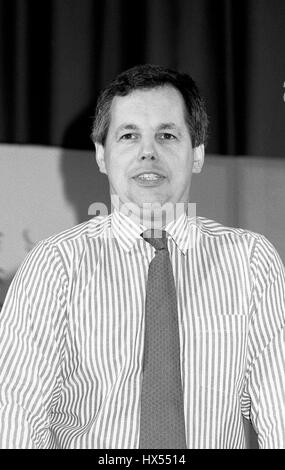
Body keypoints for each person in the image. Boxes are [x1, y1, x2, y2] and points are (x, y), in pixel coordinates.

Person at [0, 64, 285, 449]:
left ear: (197, 153)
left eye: (167, 135)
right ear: (102, 155)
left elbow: (279, 415)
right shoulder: (54, 267)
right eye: (129, 135)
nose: (148, 152)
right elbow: (17, 419)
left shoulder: (252, 263)